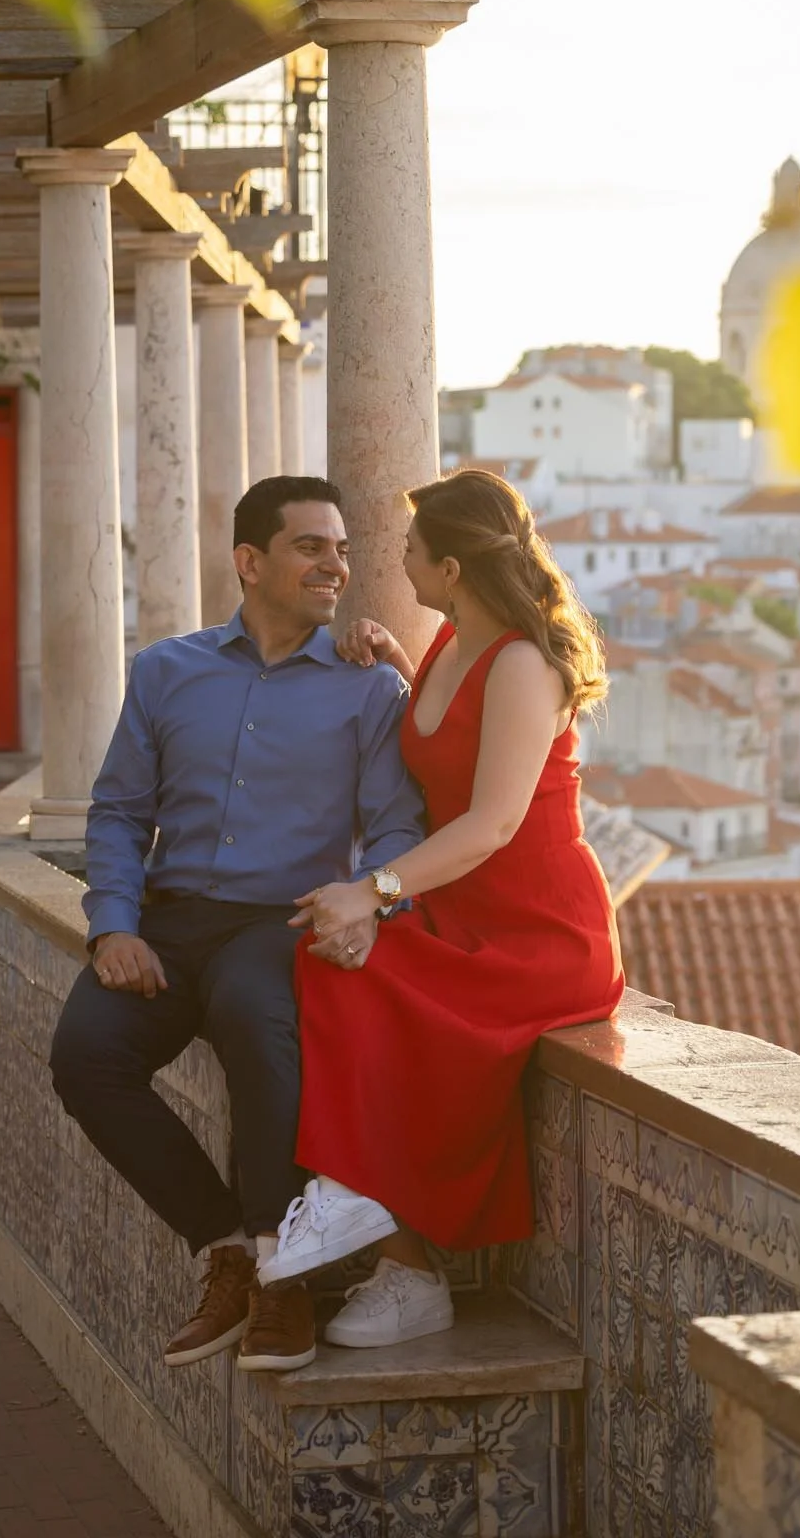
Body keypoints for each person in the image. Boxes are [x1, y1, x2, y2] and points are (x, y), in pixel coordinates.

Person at [48, 476, 425, 1375]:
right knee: (85, 1057)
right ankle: (225, 1248)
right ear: (250, 562)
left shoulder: (366, 689)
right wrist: (112, 926)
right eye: (311, 547)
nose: (335, 565)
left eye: (341, 548)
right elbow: (116, 813)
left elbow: (400, 827)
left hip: (283, 921)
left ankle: (282, 1278)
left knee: (261, 1026)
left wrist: (376, 901)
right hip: (171, 920)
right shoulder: (166, 670)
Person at [257, 468, 624, 1348]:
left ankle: (369, 1216)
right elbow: (452, 742)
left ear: (454, 567)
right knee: (326, 964)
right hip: (465, 914)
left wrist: (373, 890)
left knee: (352, 972)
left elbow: (495, 821)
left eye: (413, 551)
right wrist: (391, 660)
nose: (399, 563)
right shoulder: (452, 647)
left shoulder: (527, 663)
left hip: (536, 932)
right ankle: (401, 1258)